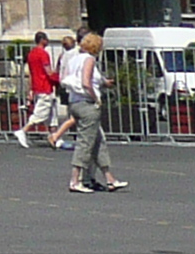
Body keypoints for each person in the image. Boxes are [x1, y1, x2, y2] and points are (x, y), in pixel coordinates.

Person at [60, 30, 121, 195]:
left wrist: (103, 82)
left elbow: (65, 78)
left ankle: (110, 179)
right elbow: (86, 82)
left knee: (98, 141)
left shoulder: (73, 59)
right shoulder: (89, 59)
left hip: (74, 101)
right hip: (86, 103)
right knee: (85, 143)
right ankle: (75, 180)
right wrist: (96, 98)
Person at [15, 32, 63, 149]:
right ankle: (23, 130)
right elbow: (48, 72)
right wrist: (59, 78)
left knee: (52, 115)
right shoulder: (43, 54)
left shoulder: (31, 54)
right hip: (45, 86)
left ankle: (54, 137)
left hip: (38, 86)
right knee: (41, 114)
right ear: (42, 40)